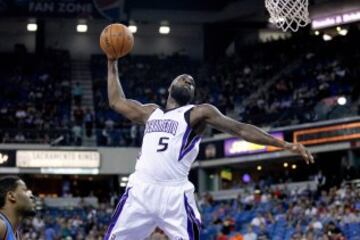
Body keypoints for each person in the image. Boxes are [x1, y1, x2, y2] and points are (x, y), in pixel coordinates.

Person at [104, 57, 314, 240]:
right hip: (141, 189)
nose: (188, 80)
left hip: (175, 194)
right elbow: (116, 101)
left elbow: (240, 129)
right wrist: (112, 62)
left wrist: (284, 144)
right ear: (170, 87)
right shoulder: (150, 112)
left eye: (192, 83)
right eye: (183, 78)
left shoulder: (198, 113)